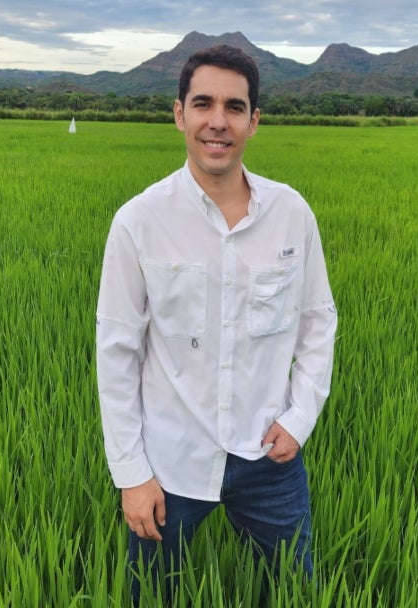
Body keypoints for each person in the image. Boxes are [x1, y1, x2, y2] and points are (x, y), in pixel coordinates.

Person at [95, 44, 338, 604]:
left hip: (267, 457)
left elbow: (318, 323)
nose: (218, 121)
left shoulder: (291, 214)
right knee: (149, 595)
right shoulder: (138, 222)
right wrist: (131, 473)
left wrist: (300, 418)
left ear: (254, 122)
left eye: (235, 107)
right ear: (179, 113)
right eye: (203, 103)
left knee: (297, 592)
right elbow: (117, 352)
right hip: (169, 461)